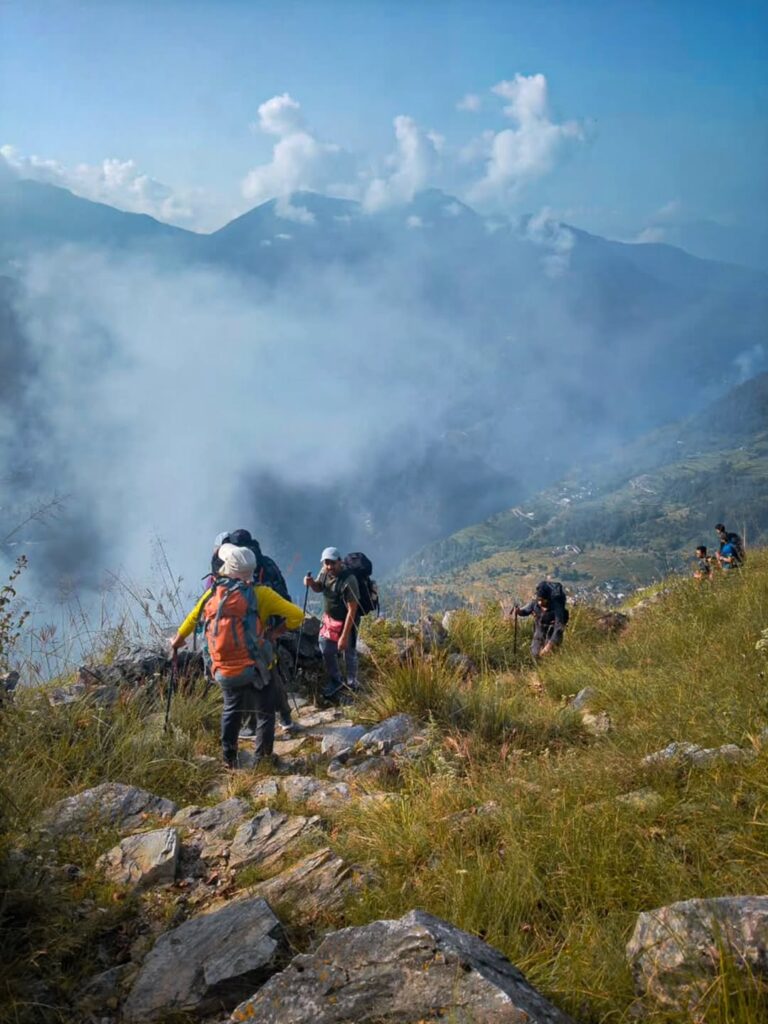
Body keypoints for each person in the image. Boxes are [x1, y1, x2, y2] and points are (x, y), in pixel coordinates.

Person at [170, 543, 305, 769]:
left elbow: (193, 619)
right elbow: (297, 615)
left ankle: (229, 759)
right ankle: (262, 760)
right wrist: (274, 633)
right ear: (252, 569)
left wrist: (177, 640)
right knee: (265, 712)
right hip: (256, 667)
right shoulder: (261, 594)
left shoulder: (213, 593)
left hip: (223, 669)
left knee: (231, 710)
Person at [209, 528, 297, 733]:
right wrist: (276, 630)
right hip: (269, 625)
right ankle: (285, 717)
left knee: (247, 676)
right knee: (271, 672)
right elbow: (283, 593)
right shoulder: (265, 563)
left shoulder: (234, 565)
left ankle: (251, 726)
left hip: (243, 630)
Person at [304, 547, 360, 702]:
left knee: (349, 652)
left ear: (340, 561)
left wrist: (344, 636)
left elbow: (352, 610)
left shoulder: (349, 580)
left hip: (347, 620)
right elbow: (319, 587)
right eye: (326, 563)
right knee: (325, 646)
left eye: (333, 563)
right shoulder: (324, 572)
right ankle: (336, 680)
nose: (329, 566)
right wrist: (311, 583)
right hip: (330, 619)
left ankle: (352, 684)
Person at [509, 581, 569, 658]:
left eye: (543, 600)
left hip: (552, 637)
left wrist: (548, 647)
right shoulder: (535, 604)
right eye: (539, 599)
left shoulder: (557, 608)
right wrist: (518, 611)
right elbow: (525, 611)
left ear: (548, 598)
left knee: (549, 658)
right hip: (538, 636)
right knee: (534, 656)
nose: (540, 602)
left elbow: (558, 628)